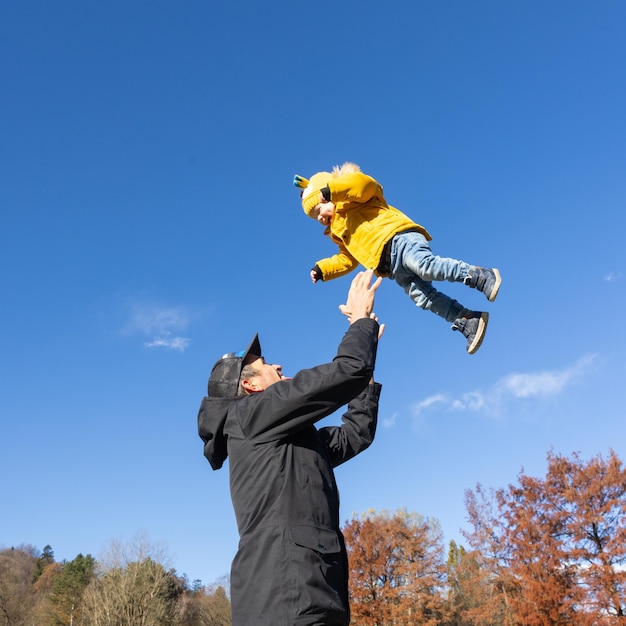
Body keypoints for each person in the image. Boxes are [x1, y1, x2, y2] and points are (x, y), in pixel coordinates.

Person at [197, 270, 384, 626]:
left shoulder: (288, 436)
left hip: (310, 595)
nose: (277, 364)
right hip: (286, 600)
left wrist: (366, 379)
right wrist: (360, 322)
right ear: (249, 386)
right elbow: (346, 370)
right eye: (265, 365)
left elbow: (355, 434)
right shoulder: (250, 415)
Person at [293, 162, 502, 354]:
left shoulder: (352, 198)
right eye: (316, 218)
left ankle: (480, 276)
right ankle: (468, 320)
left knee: (424, 266)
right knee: (422, 297)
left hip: (399, 240)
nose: (320, 218)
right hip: (391, 268)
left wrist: (334, 190)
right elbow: (347, 260)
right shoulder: (338, 233)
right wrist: (322, 269)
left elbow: (365, 185)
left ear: (329, 193)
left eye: (319, 210)